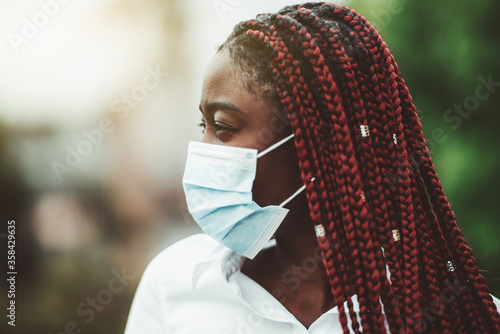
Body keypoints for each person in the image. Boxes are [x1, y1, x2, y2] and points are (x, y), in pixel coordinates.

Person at [124, 2, 500, 333]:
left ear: (316, 143)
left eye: (223, 128)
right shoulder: (175, 284)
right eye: (202, 126)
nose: (201, 151)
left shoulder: (457, 316)